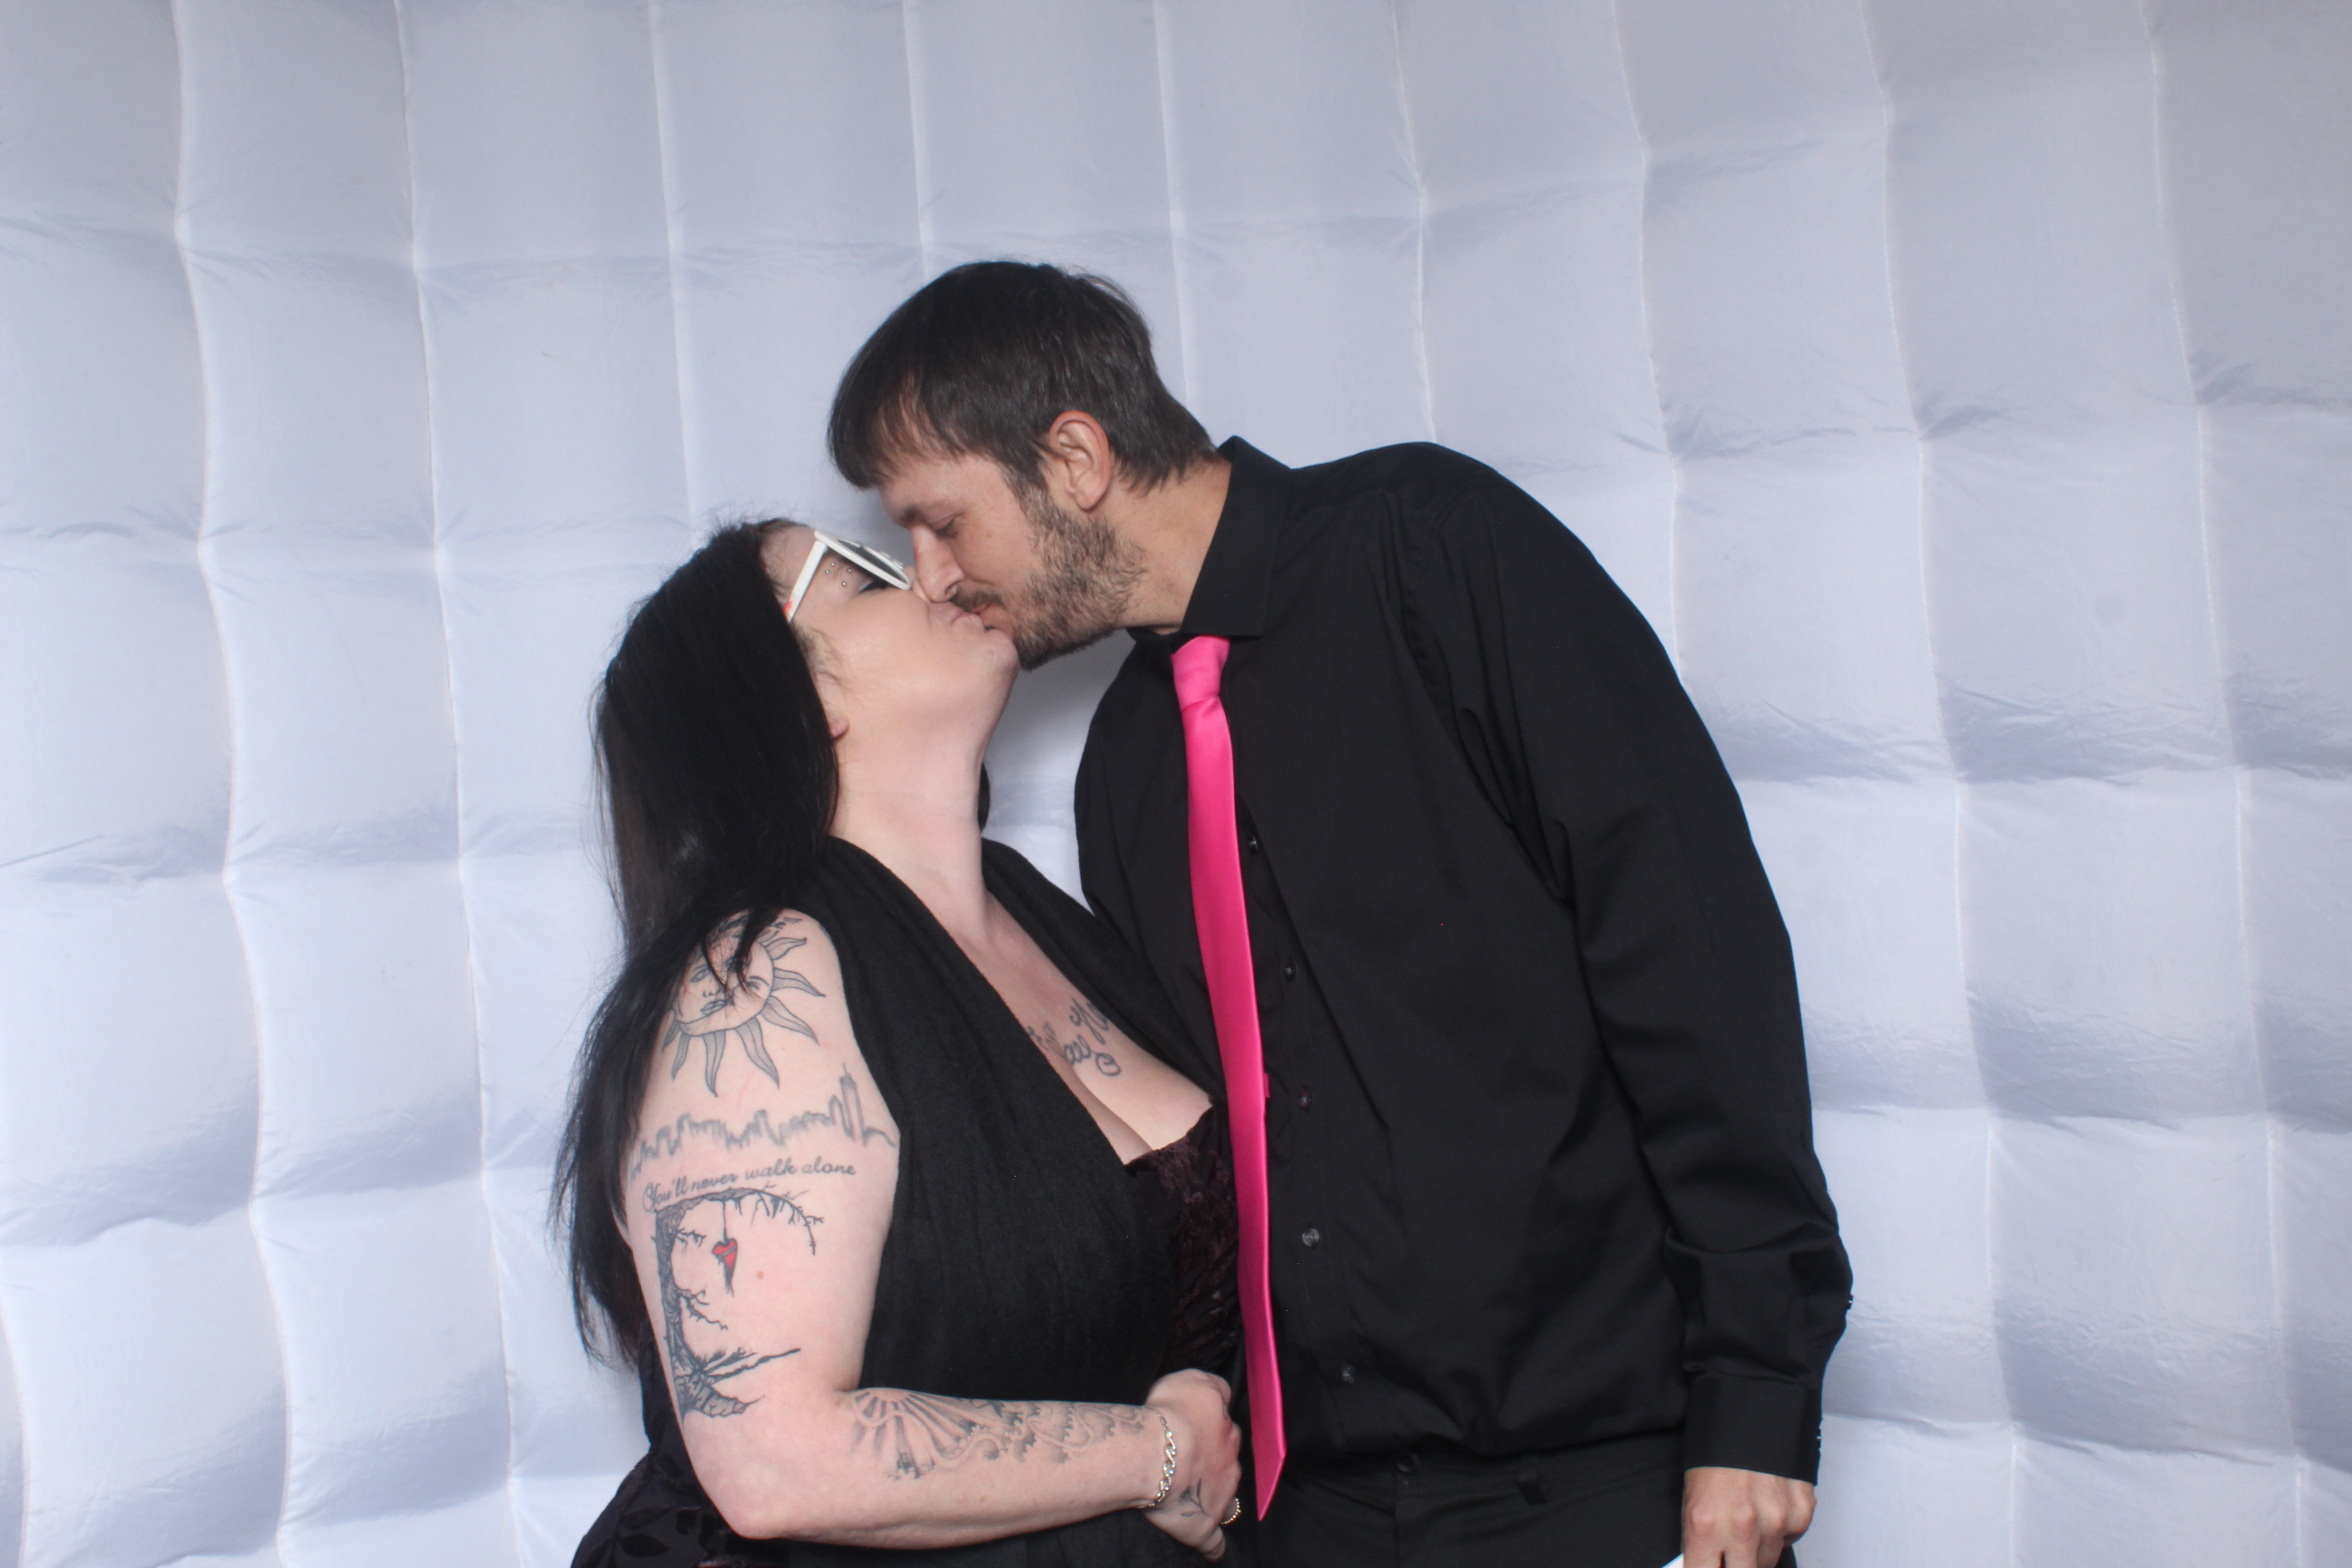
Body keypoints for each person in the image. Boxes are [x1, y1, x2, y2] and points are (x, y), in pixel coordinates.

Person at [824, 261, 1852, 1568]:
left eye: (942, 522)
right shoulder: (1126, 765)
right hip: (1306, 1515)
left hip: (1600, 1479)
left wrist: (1756, 1394)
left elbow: (1691, 952)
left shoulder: (1434, 550)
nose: (932, 578)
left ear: (1074, 459)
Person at [556, 519, 1253, 1566]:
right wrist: (1157, 1451)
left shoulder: (1040, 913)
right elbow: (774, 1461)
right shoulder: (755, 986)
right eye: (867, 577)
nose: (934, 571)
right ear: (801, 700)